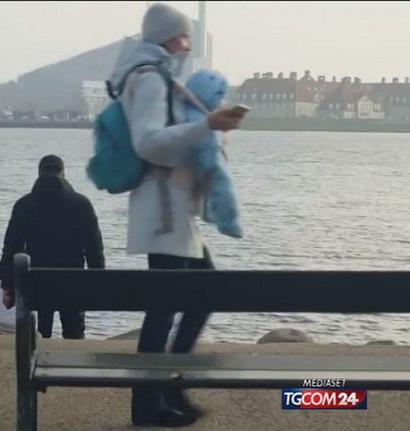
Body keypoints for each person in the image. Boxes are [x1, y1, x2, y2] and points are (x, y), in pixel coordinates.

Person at [110, 2, 243, 427]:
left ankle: (167, 387)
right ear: (165, 36)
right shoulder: (149, 78)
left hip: (174, 211)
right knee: (168, 307)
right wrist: (207, 126)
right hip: (164, 212)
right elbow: (149, 143)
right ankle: (151, 402)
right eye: (182, 36)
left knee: (198, 294)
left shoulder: (156, 75)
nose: (187, 45)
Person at [0, 155, 105, 339]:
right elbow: (94, 247)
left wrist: (7, 283)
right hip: (73, 281)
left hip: (36, 283)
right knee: (74, 331)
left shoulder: (25, 204)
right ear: (63, 173)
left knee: (41, 329)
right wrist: (97, 281)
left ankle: (39, 348)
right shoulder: (81, 204)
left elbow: (12, 246)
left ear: (39, 173)